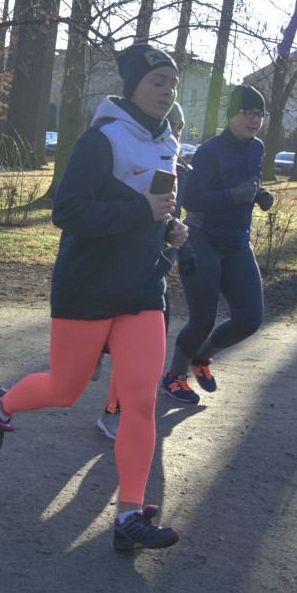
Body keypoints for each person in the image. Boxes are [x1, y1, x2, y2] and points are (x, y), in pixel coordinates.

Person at [0, 43, 185, 551]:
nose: (166, 92)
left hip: (141, 289)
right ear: (134, 84)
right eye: (157, 81)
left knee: (139, 402)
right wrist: (143, 212)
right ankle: (1, 404)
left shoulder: (167, 144)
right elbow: (67, 212)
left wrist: (170, 231)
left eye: (172, 85)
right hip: (88, 286)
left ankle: (129, 516)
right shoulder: (100, 140)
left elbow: (153, 212)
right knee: (66, 390)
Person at [160, 85, 275, 404]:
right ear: (231, 115)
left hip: (238, 243)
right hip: (204, 237)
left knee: (250, 318)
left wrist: (258, 194)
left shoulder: (256, 148)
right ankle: (174, 377)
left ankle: (203, 357)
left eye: (259, 115)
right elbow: (192, 199)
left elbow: (249, 183)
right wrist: (232, 196)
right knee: (203, 319)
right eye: (248, 113)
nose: (254, 121)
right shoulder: (210, 151)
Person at [95, 101, 195, 440]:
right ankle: (111, 410)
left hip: (152, 272)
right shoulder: (127, 154)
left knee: (146, 351)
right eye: (171, 127)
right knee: (115, 352)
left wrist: (174, 231)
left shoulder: (170, 163)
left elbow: (161, 218)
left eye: (179, 130)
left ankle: (125, 410)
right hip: (116, 269)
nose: (175, 136)